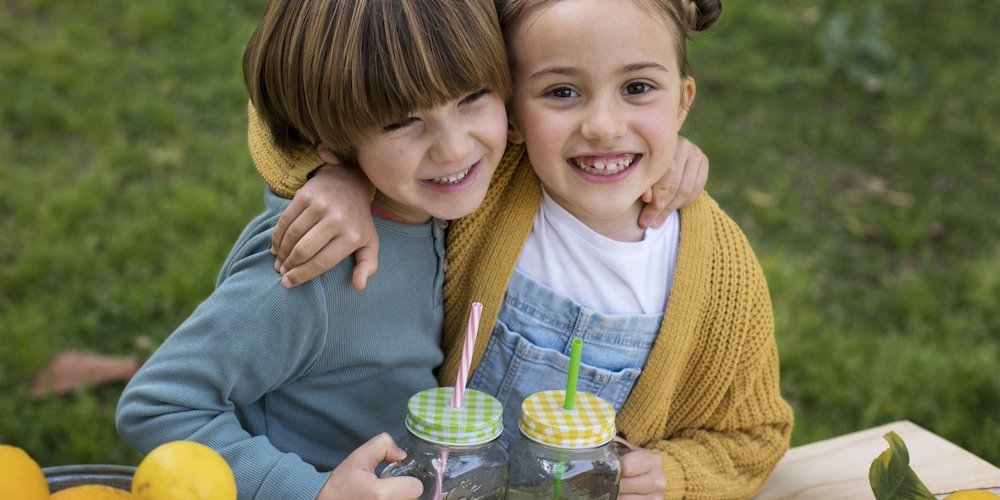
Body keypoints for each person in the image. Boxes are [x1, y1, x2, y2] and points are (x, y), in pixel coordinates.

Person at [248, 0, 794, 497]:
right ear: (507, 109)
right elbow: (304, 95)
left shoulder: (720, 270)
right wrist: (335, 175)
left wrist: (676, 474)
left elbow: (754, 434)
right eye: (561, 92)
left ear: (683, 100)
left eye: (638, 89)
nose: (604, 127)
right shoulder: (484, 184)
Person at [115, 0, 513, 498]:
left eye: (472, 96)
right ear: (327, 143)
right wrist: (313, 491)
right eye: (401, 122)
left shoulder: (438, 203)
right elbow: (159, 404)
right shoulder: (315, 269)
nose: (454, 147)